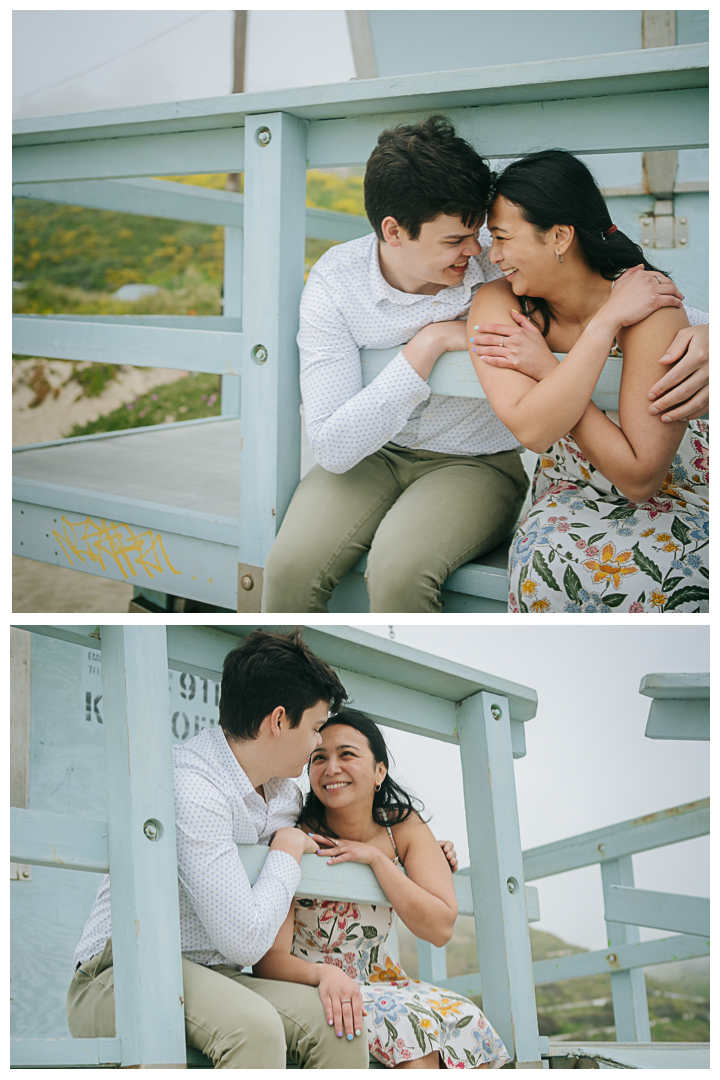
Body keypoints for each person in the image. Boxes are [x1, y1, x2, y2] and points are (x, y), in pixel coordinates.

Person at [261, 116, 709, 614]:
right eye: (457, 241)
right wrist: (426, 345)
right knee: (287, 570)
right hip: (373, 454)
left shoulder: (502, 267)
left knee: (398, 573)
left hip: (473, 461)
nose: (478, 252)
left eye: (481, 233)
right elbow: (333, 445)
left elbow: (616, 294)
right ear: (393, 232)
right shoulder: (337, 284)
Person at [66, 628, 367, 1069]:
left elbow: (344, 828)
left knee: (339, 1029)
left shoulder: (285, 794)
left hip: (215, 976)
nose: (319, 742)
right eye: (317, 728)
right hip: (119, 972)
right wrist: (285, 851)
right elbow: (245, 941)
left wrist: (419, 845)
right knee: (255, 1028)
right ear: (279, 720)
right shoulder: (192, 783)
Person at [466, 150, 709, 613]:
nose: (491, 256)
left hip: (681, 491)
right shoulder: (501, 302)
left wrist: (555, 366)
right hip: (569, 490)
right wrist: (605, 327)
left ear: (558, 236)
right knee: (546, 567)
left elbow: (642, 478)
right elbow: (534, 430)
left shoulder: (648, 303)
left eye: (501, 237)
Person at [254, 709, 510, 1070]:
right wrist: (326, 976)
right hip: (316, 985)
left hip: (385, 980)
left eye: (347, 754)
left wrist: (377, 861)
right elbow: (268, 960)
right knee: (410, 1033)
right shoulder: (298, 835)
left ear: (379, 771)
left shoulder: (400, 827)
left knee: (466, 1019)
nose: (331, 768)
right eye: (319, 758)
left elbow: (439, 928)